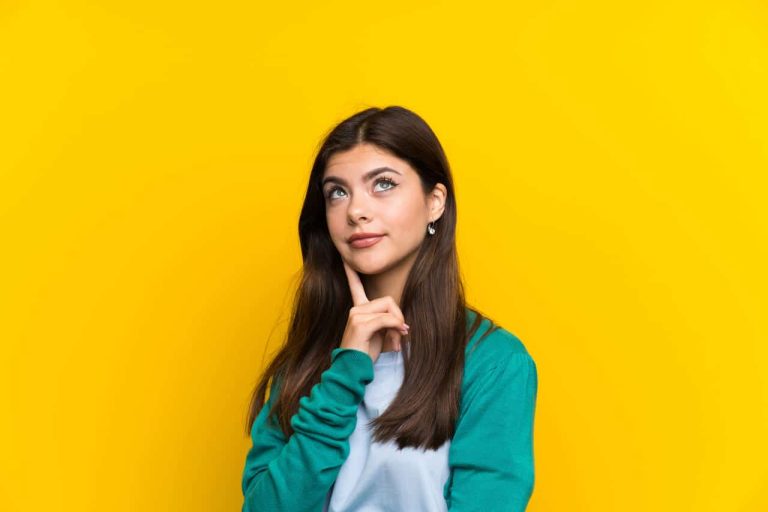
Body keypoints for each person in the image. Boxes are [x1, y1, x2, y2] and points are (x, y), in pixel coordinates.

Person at [240, 106, 538, 511]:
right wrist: (346, 371)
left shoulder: (493, 362)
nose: (356, 210)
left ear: (435, 202)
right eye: (337, 192)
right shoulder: (306, 363)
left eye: (382, 184)